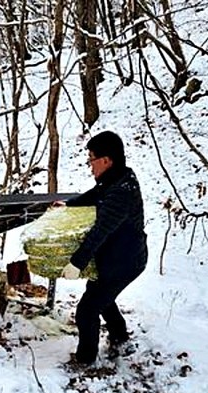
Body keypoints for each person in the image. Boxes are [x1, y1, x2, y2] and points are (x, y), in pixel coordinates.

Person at [58, 131, 148, 366]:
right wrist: (69, 205)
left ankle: (85, 359)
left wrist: (76, 263)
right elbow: (97, 194)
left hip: (124, 262)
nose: (90, 167)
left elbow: (100, 231)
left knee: (87, 310)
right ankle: (119, 336)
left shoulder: (121, 192)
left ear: (106, 161)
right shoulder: (118, 179)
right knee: (101, 297)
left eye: (92, 160)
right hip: (118, 258)